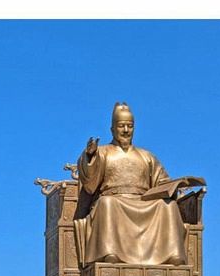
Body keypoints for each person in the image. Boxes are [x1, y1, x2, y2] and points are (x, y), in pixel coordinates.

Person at [73, 102, 204, 267]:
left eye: (130, 126)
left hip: (144, 201)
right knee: (107, 203)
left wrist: (175, 185)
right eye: (121, 126)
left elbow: (161, 182)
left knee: (168, 206)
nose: (126, 130)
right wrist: (90, 156)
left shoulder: (146, 156)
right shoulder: (103, 152)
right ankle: (110, 253)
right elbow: (89, 184)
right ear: (112, 129)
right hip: (115, 200)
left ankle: (173, 255)